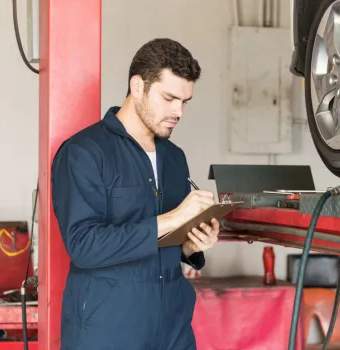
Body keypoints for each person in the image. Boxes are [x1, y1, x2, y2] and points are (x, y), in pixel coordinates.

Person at [51, 38, 219, 350]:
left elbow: (171, 240)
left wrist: (192, 244)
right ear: (138, 86)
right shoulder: (84, 153)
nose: (179, 111)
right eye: (169, 98)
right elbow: (84, 246)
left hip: (172, 328)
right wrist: (172, 218)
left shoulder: (174, 157)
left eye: (185, 101)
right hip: (108, 329)